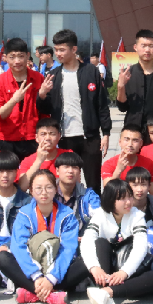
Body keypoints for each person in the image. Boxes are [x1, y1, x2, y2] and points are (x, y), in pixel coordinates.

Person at [0, 170, 86, 304]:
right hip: (32, 270)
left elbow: (68, 249)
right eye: (38, 188)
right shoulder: (24, 214)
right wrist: (36, 276)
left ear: (55, 190)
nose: (44, 192)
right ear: (31, 191)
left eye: (48, 187)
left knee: (86, 262)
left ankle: (33, 292)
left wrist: (51, 278)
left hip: (57, 269)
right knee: (2, 258)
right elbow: (18, 246)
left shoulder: (67, 215)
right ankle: (51, 295)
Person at [39, 28, 112, 193]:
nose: (58, 53)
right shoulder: (54, 75)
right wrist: (42, 94)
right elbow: (45, 108)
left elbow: (101, 104)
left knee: (93, 183)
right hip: (65, 138)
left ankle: (93, 208)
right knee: (67, 183)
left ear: (73, 49)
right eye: (56, 49)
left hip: (89, 137)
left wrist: (106, 133)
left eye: (62, 49)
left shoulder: (90, 72)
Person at [81, 179, 153, 304]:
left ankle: (106, 293)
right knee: (100, 243)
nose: (128, 202)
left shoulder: (137, 215)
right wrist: (94, 267)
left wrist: (124, 272)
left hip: (126, 269)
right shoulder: (100, 214)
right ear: (111, 200)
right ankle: (108, 291)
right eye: (122, 199)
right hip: (105, 269)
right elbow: (87, 240)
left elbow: (140, 248)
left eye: (129, 197)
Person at [0, 37, 47, 159]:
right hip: (7, 138)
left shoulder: (38, 78)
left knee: (34, 171)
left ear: (28, 56)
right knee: (8, 171)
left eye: (21, 56)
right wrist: (14, 100)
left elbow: (45, 112)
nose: (17, 61)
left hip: (33, 137)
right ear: (5, 58)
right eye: (12, 57)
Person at [101, 125, 153, 195]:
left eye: (135, 140)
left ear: (141, 143)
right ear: (120, 142)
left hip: (139, 200)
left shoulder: (147, 163)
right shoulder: (109, 164)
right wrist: (118, 170)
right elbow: (108, 191)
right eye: (126, 140)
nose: (130, 144)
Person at [17, 117, 71, 189]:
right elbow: (22, 187)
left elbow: (76, 185)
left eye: (52, 134)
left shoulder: (68, 155)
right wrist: (39, 160)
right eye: (43, 134)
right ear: (36, 137)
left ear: (59, 136)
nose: (47, 138)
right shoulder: (27, 161)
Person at [54, 151, 101, 230]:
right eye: (66, 167)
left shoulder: (88, 195)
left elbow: (99, 216)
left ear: (79, 172)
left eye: (74, 167)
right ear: (57, 171)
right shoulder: (47, 192)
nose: (70, 171)